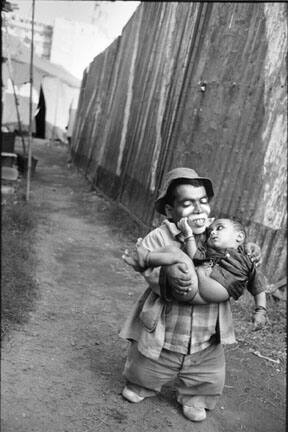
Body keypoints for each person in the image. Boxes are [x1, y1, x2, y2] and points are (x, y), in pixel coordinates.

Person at [119, 167, 266, 423]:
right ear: (169, 210)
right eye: (187, 204)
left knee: (207, 367)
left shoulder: (213, 231)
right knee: (150, 361)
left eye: (203, 202)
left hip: (206, 325)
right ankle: (143, 384)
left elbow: (236, 245)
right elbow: (150, 271)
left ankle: (196, 396)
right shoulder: (159, 236)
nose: (199, 210)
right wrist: (167, 276)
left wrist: (249, 248)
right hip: (169, 318)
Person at [123, 216, 267, 311]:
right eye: (211, 230)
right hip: (191, 288)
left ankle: (144, 260)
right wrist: (189, 235)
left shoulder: (248, 259)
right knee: (174, 254)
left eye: (219, 228)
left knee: (177, 257)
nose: (212, 232)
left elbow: (258, 287)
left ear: (239, 236)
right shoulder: (210, 251)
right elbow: (194, 256)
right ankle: (145, 259)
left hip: (200, 294)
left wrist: (261, 310)